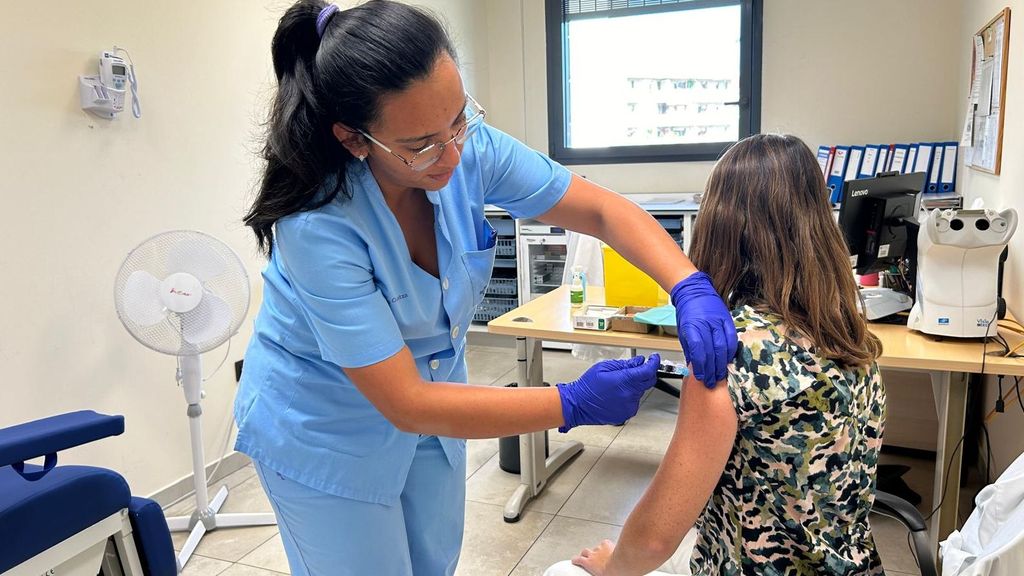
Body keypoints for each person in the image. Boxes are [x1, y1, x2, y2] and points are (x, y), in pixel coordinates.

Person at [235, 1, 737, 574]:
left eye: (458, 120)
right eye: (422, 143)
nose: (453, 154)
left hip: (433, 400)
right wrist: (571, 402)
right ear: (355, 139)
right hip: (324, 425)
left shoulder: (469, 147)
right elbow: (405, 401)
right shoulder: (318, 224)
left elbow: (600, 209)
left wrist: (688, 284)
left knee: (433, 561)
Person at [548, 134, 886, 576]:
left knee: (564, 572)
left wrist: (612, 565)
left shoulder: (730, 357)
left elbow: (651, 541)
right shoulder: (852, 336)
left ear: (719, 224)